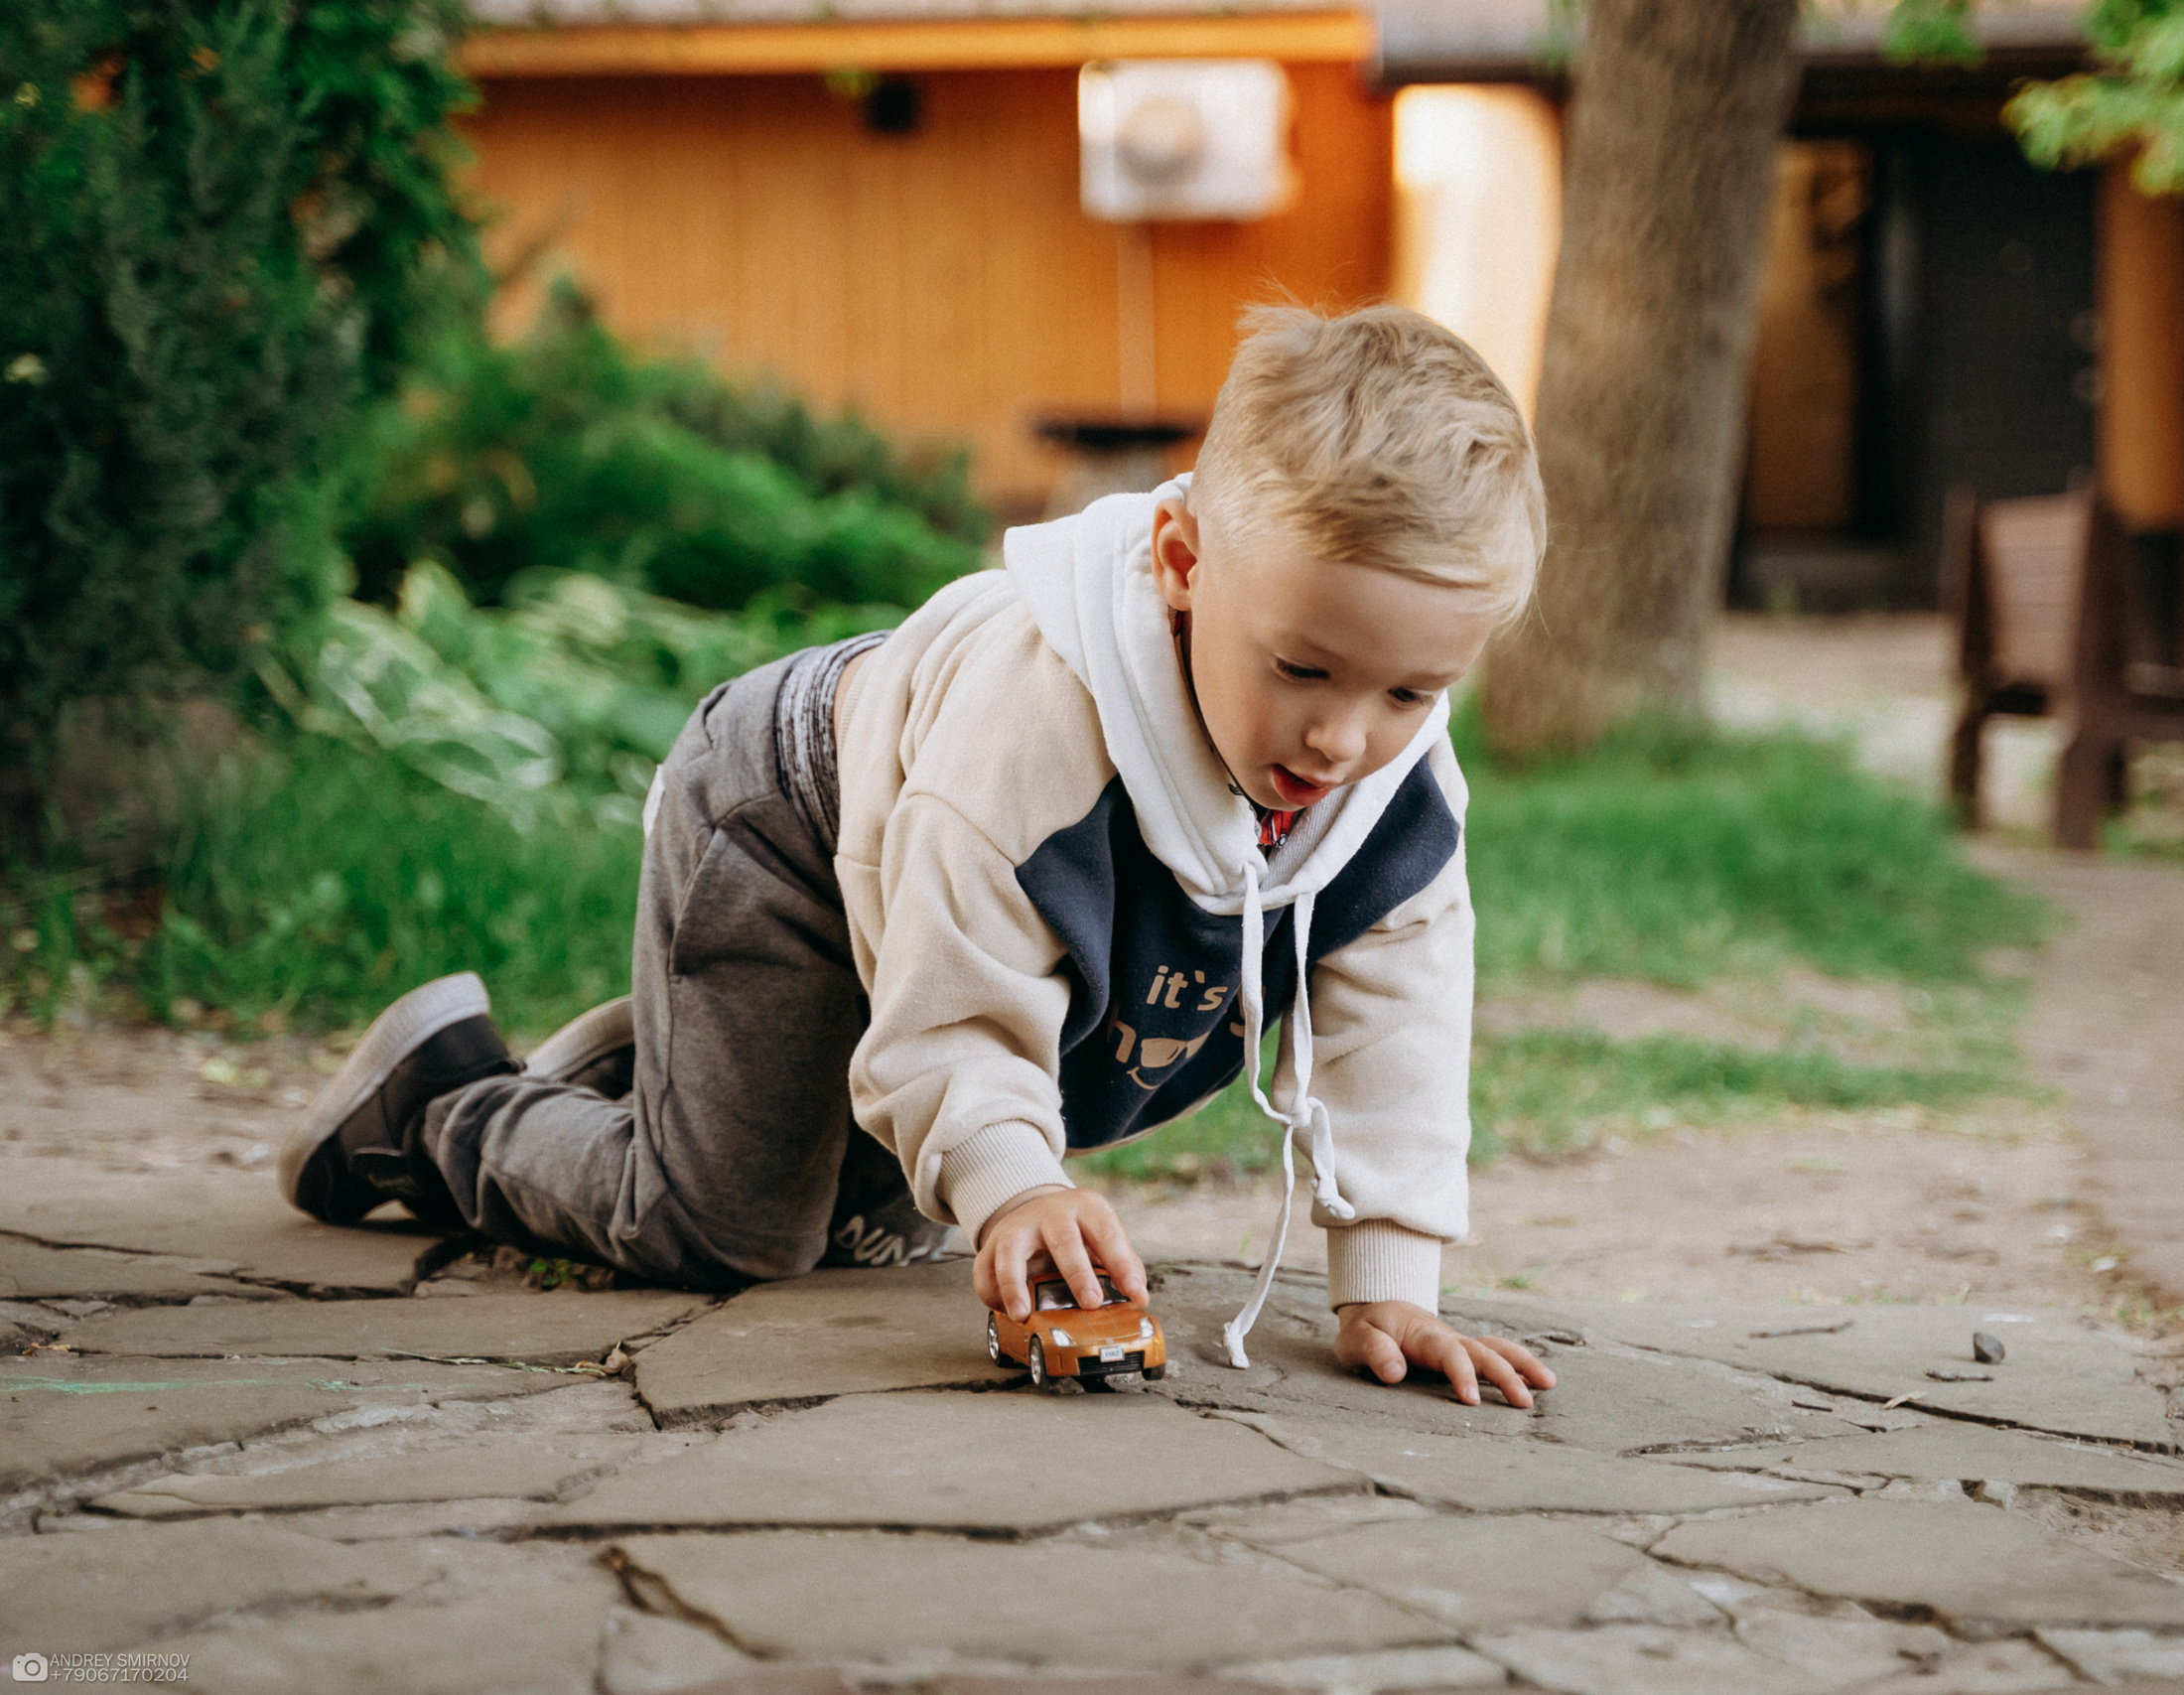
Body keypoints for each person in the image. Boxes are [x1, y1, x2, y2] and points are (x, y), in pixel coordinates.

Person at [282, 305, 1556, 1409]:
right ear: (1180, 565)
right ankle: (442, 1103)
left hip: (930, 904)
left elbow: (1397, 1019)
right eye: (1300, 668)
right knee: (730, 1231)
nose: (1344, 737)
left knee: (888, 1218)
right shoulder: (1029, 738)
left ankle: (678, 1073)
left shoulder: (1387, 777)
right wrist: (1011, 1189)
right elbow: (956, 1005)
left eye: (1410, 691)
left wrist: (1387, 1281)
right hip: (791, 825)